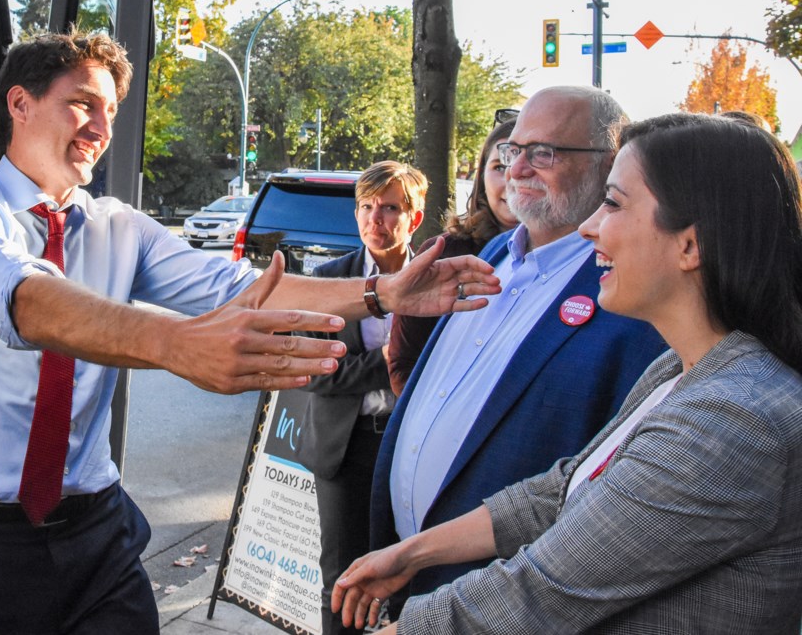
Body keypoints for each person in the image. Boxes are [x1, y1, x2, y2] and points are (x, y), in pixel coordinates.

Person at [0, 30, 500, 634]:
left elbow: (234, 287)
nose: (101, 127)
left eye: (111, 111)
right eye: (84, 103)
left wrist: (380, 295)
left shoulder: (121, 228)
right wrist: (174, 344)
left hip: (97, 534)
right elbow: (29, 301)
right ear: (20, 103)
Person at [333, 112, 802, 634]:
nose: (590, 226)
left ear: (690, 245)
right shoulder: (680, 369)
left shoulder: (734, 419)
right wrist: (414, 553)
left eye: (614, 203)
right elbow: (564, 489)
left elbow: (542, 592)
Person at [369, 86, 667, 602]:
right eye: (512, 152)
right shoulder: (492, 255)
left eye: (543, 153)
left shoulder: (631, 299)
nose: (517, 170)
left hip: (502, 599)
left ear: (609, 164)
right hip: (409, 575)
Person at [293, 161, 427, 635]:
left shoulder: (434, 280)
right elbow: (314, 373)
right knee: (345, 582)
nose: (376, 219)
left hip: (416, 447)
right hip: (346, 451)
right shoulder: (330, 281)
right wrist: (391, 358)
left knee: (413, 576)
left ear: (414, 215)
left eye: (390, 208)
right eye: (366, 207)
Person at [386, 115, 519, 396]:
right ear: (481, 176)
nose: (513, 178)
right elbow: (403, 366)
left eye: (524, 165)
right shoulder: (444, 252)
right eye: (499, 166)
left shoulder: (575, 259)